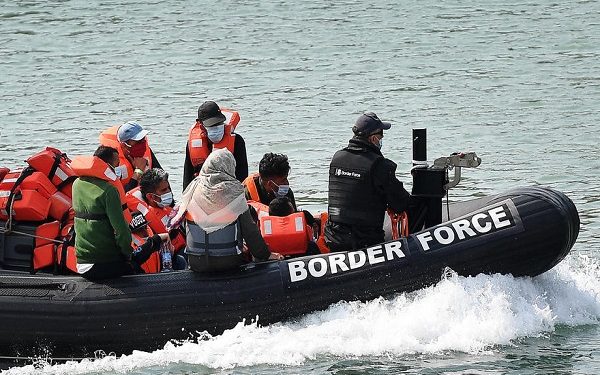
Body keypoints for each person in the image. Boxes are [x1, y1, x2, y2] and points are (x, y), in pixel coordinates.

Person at [172, 148, 283, 273]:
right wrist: (266, 255)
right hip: (229, 262)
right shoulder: (234, 193)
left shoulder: (192, 189)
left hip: (196, 262)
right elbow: (250, 232)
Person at [71, 146, 166, 280]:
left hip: (82, 263)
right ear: (107, 166)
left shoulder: (77, 184)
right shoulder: (109, 191)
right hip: (103, 263)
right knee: (137, 266)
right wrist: (128, 256)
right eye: (116, 165)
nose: (117, 170)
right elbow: (121, 231)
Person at [324, 112, 412, 252]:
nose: (381, 139)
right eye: (381, 136)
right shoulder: (379, 165)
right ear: (373, 138)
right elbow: (401, 203)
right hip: (364, 242)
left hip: (334, 239)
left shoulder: (337, 158)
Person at [183, 101, 248, 190]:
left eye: (219, 123)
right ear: (202, 126)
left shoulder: (237, 141)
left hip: (229, 191)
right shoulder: (192, 144)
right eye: (212, 125)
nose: (217, 127)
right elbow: (187, 178)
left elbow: (243, 176)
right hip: (202, 191)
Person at [126, 168, 187, 257]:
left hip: (182, 250)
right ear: (150, 196)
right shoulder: (142, 222)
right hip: (167, 258)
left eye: (168, 188)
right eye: (164, 190)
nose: (169, 192)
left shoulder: (168, 208)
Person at [99, 121, 162, 192]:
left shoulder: (146, 150)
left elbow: (162, 179)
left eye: (143, 139)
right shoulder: (109, 159)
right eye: (137, 141)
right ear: (123, 145)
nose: (142, 144)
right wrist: (138, 172)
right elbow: (117, 195)